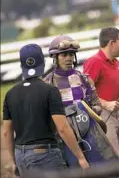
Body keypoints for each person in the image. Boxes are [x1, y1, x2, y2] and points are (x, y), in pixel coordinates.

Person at [2, 43, 89, 177]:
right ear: (42, 64)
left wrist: (14, 161)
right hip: (45, 153)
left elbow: (7, 132)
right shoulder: (50, 91)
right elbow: (62, 127)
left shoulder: (10, 94)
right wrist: (80, 157)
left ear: (22, 65)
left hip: (21, 155)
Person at [43, 35, 119, 166]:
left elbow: (97, 105)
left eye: (71, 54)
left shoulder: (84, 79)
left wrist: (86, 112)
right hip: (64, 140)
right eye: (64, 55)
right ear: (55, 58)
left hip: (89, 134)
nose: (68, 58)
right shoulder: (47, 83)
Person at [83, 27, 119, 162]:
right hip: (103, 116)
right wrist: (105, 104)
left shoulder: (117, 63)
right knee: (113, 158)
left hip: (118, 114)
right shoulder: (94, 62)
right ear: (111, 43)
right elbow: (85, 91)